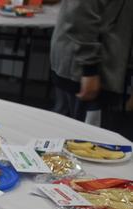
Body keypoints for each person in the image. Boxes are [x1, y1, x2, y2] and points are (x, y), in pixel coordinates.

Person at [50, 0, 133, 131]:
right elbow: (80, 15)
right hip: (85, 68)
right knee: (84, 138)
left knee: (71, 132)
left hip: (104, 65)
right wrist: (89, 69)